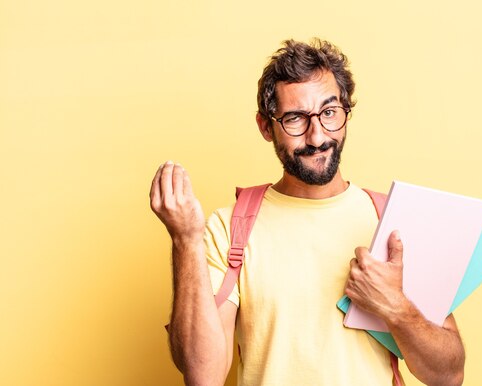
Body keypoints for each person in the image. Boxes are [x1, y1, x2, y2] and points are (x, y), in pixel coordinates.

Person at [150, 39, 465, 386]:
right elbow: (203, 375)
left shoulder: (392, 224)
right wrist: (185, 239)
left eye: (329, 113)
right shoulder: (229, 228)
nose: (317, 136)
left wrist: (395, 306)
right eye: (296, 118)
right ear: (265, 127)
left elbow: (448, 376)